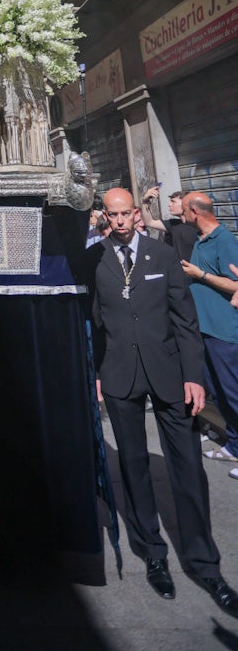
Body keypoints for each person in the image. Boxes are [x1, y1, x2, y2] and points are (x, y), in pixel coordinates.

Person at [89, 187, 238, 613]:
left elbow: (185, 320)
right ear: (105, 216)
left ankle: (206, 565)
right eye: (112, 214)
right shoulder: (95, 260)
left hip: (171, 377)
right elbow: (93, 322)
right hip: (121, 378)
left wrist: (194, 377)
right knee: (133, 467)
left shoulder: (163, 254)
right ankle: (153, 554)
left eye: (125, 213)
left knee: (188, 468)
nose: (119, 221)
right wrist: (98, 373)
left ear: (136, 213)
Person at [179, 193, 238, 469]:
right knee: (219, 393)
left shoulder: (224, 240)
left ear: (194, 211)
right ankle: (235, 444)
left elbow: (237, 285)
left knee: (233, 392)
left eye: (183, 212)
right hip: (204, 330)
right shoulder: (200, 239)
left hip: (223, 332)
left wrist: (199, 275)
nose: (182, 217)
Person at [141, 186, 198, 256]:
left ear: (185, 203)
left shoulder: (198, 225)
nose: (169, 205)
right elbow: (149, 222)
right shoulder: (173, 224)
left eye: (173, 202)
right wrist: (145, 202)